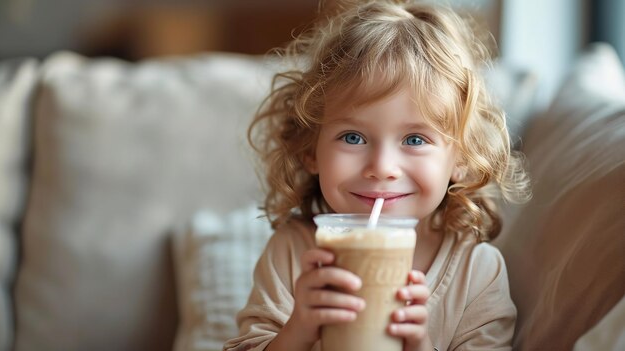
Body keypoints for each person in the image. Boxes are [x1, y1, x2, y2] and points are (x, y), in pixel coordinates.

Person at [224, 1, 531, 350]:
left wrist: (420, 344)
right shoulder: (293, 253)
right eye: (353, 137)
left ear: (461, 158)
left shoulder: (477, 273)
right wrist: (299, 329)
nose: (382, 167)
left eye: (415, 139)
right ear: (310, 150)